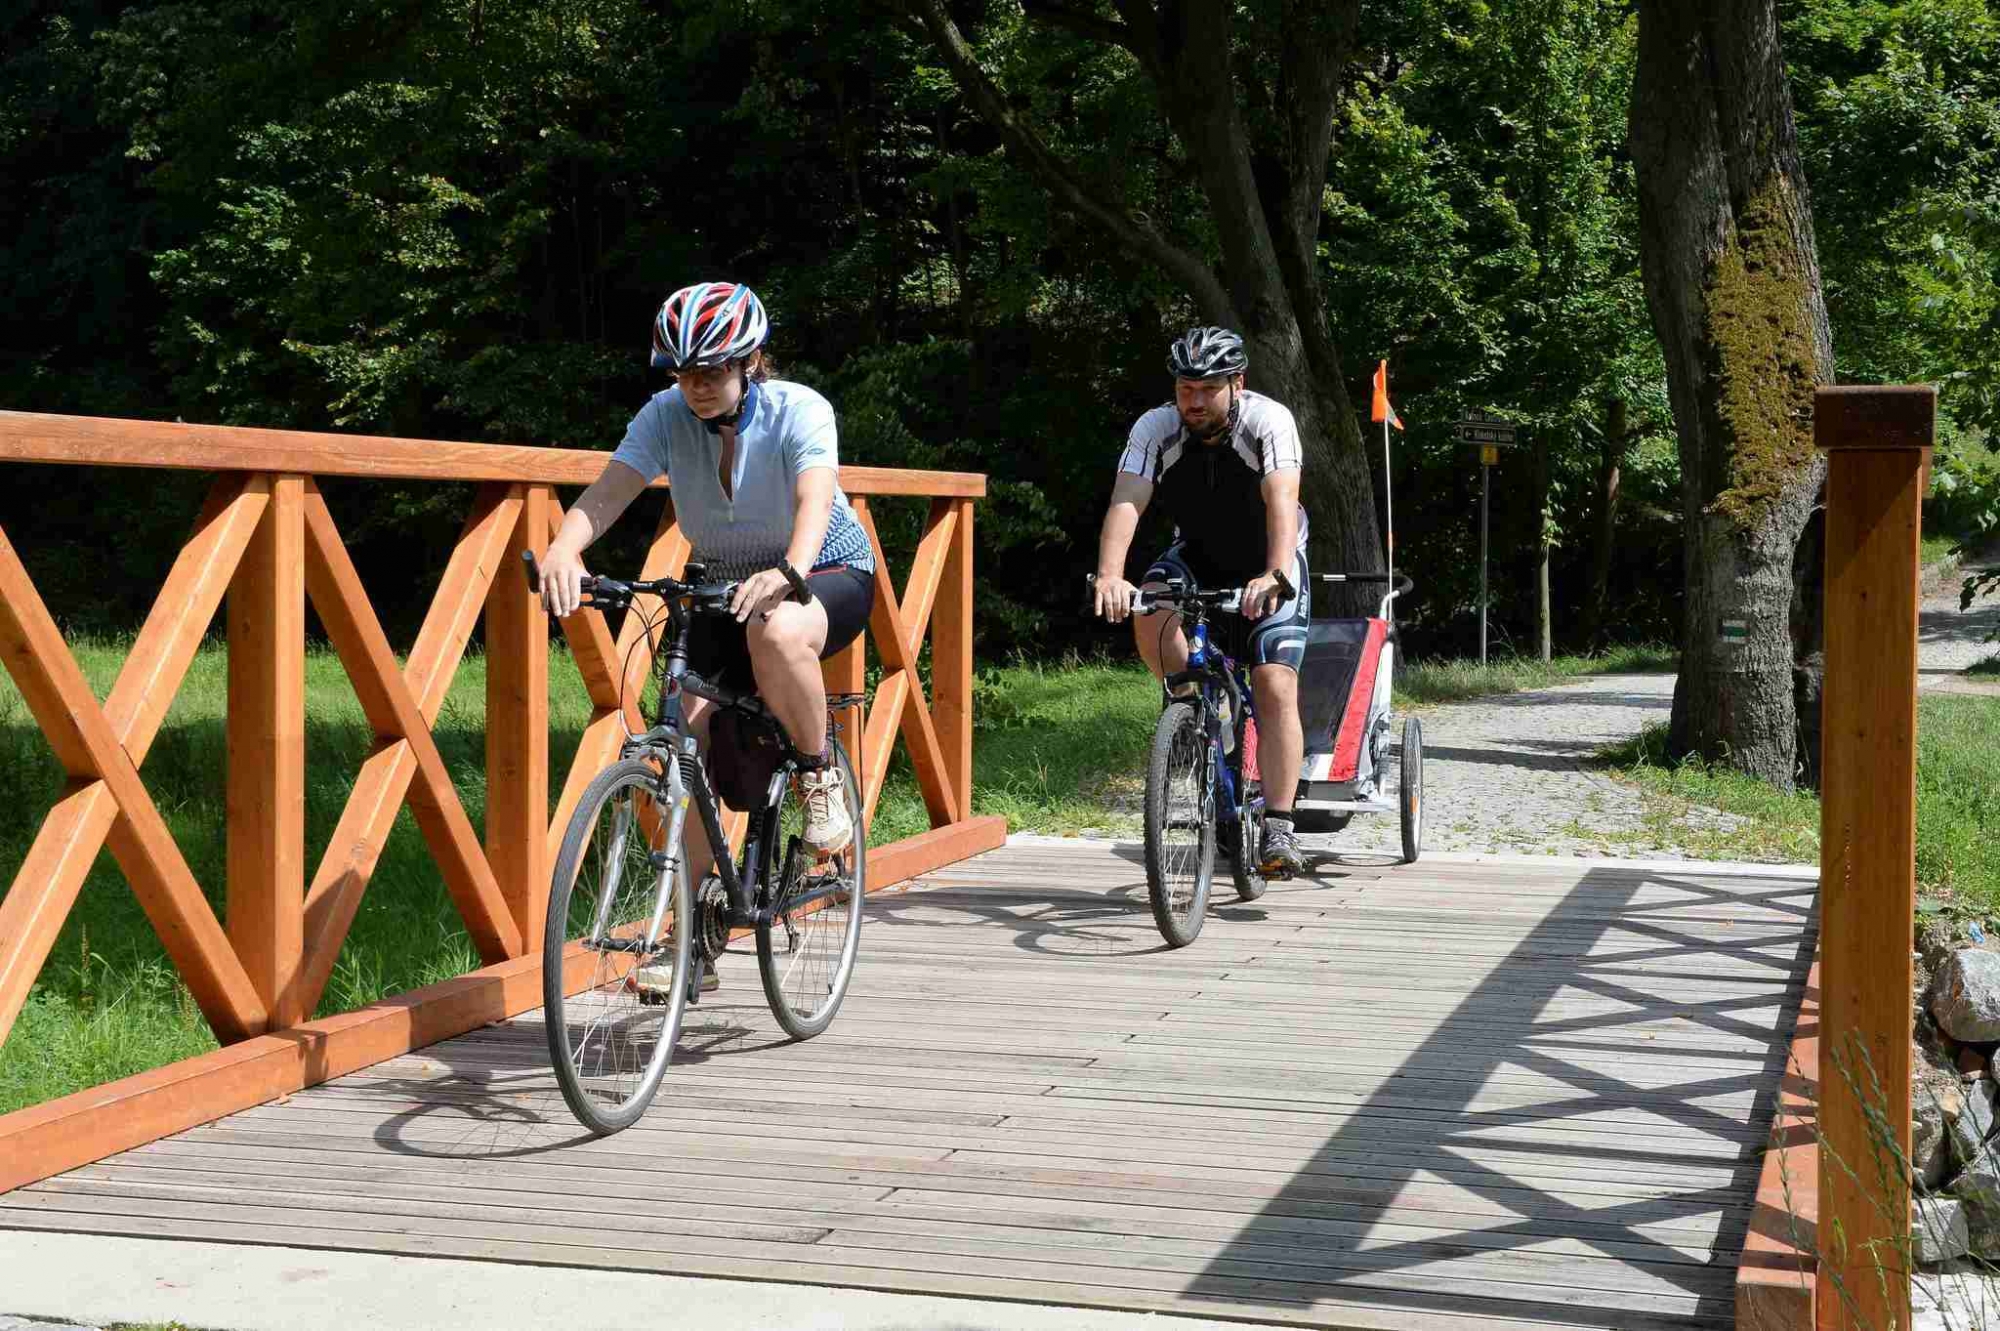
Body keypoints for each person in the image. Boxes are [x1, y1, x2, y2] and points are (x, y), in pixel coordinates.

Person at [539, 281, 873, 968]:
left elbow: (814, 497)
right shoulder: (664, 416)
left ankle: (817, 775)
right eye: (684, 371)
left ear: (751, 361)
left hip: (828, 569)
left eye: (713, 370)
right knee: (683, 738)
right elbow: (608, 493)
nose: (696, 384)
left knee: (776, 633)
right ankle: (689, 932)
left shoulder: (799, 409)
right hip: (721, 582)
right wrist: (565, 548)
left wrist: (790, 570)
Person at [1092, 326, 1311, 877]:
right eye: (1184, 388)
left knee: (1274, 681)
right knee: (1148, 603)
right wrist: (1110, 576)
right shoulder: (1155, 427)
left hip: (1270, 557)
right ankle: (1189, 708)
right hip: (1199, 554)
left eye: (1206, 389)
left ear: (1237, 383)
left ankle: (1281, 827)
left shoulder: (1269, 421)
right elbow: (1127, 498)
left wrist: (1276, 572)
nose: (1192, 401)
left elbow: (1282, 497)